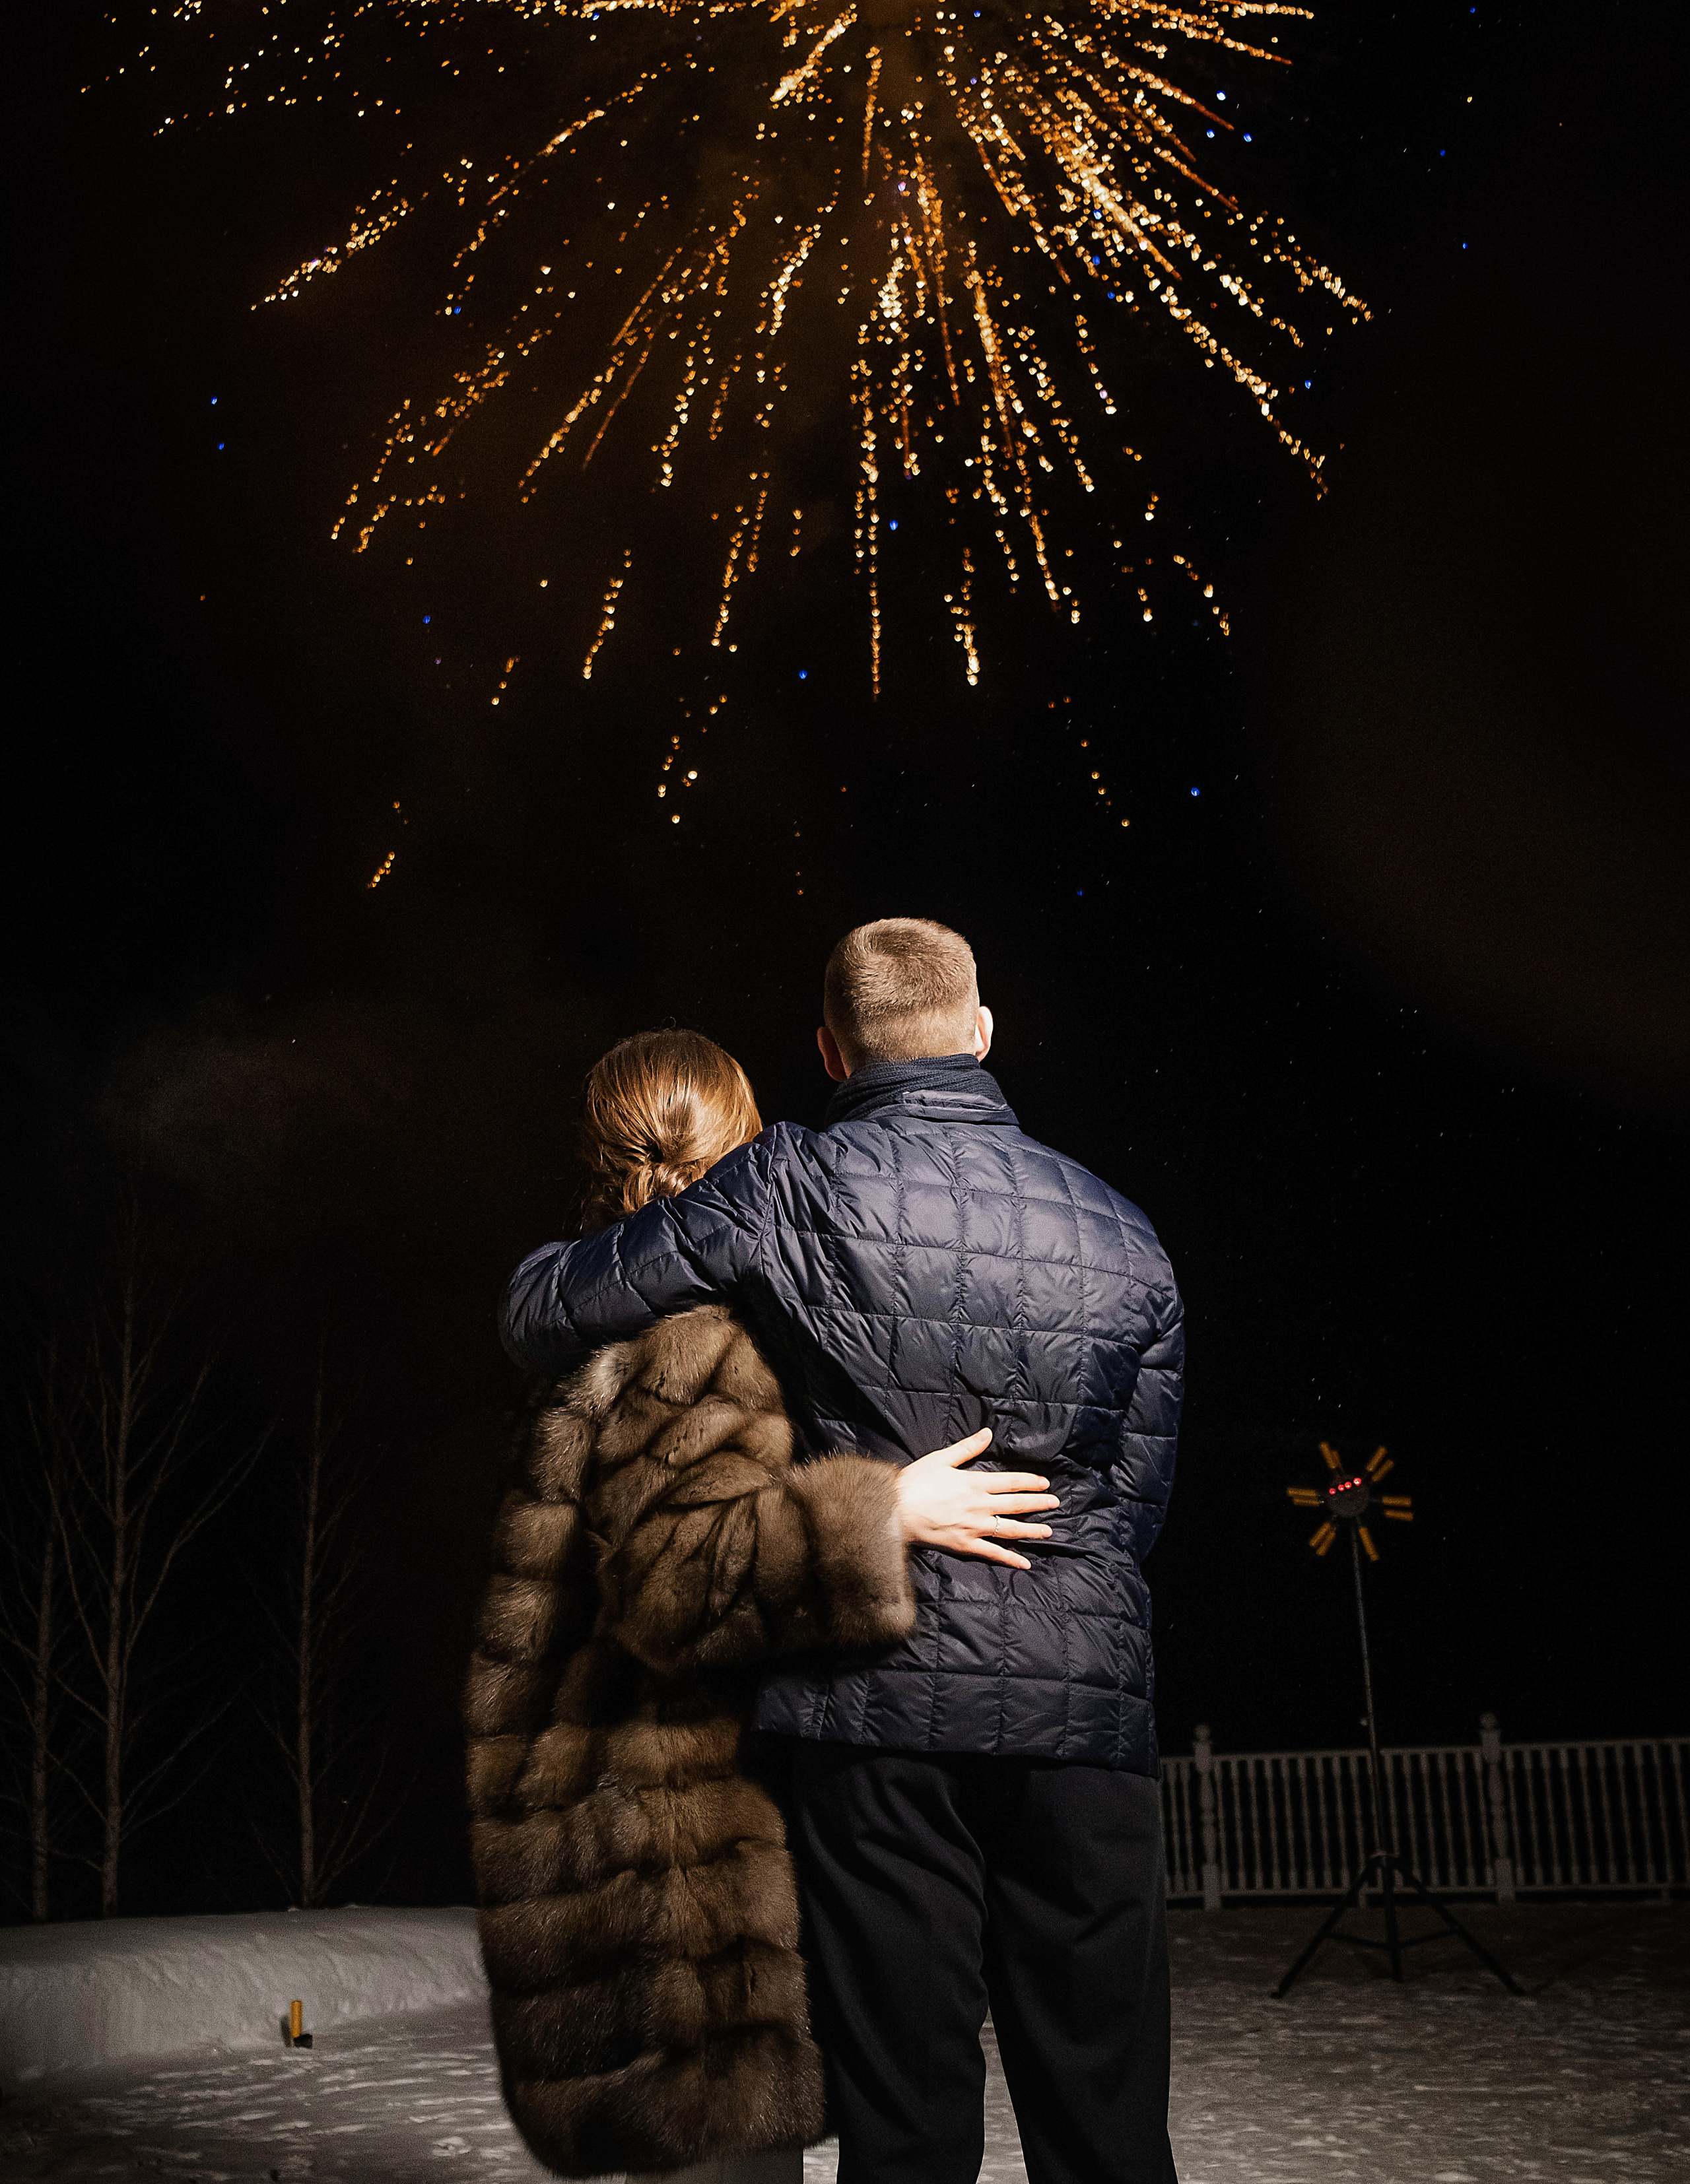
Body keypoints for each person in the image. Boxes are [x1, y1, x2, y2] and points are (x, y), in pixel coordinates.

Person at [500, 919, 1185, 2184]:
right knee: (1108, 2127)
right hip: (1087, 1726)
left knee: (907, 2125)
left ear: (831, 1048)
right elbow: (1137, 1504)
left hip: (882, 1711)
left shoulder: (790, 1185)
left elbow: (547, 1310)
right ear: (983, 1033)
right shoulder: (1129, 1235)